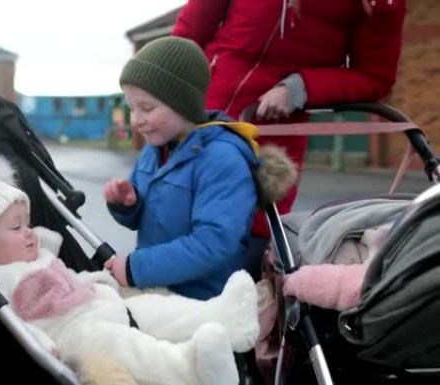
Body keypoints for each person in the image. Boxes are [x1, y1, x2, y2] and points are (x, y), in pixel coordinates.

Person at [0, 149, 261, 385]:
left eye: (27, 224)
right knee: (127, 345)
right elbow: (12, 325)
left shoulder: (37, 257)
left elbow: (71, 277)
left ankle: (223, 316)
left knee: (152, 307)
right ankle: (187, 368)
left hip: (96, 303)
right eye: (15, 228)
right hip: (75, 334)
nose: (29, 233)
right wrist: (43, 346)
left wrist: (100, 282)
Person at [172, 0, 406, 253]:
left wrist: (301, 88)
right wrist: (161, 97)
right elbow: (188, 35)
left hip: (272, 141)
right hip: (196, 117)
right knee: (169, 225)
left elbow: (375, 77)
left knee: (246, 253)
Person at [103, 36, 296, 298]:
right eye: (131, 108)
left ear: (183, 103)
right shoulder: (154, 149)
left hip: (205, 302)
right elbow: (144, 219)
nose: (136, 120)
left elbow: (213, 245)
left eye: (146, 108)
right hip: (158, 291)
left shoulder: (222, 160)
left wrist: (136, 268)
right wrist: (128, 204)